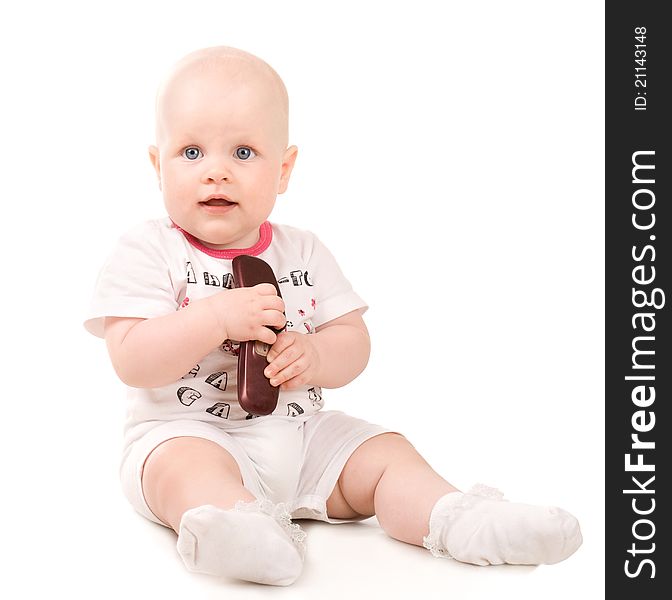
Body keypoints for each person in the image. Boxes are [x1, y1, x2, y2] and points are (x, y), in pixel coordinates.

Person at [84, 46, 582, 586]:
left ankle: (459, 518)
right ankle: (238, 531)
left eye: (244, 153)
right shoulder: (147, 250)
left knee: (385, 451)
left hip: (301, 434)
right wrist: (214, 320)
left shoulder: (304, 251)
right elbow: (130, 358)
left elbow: (354, 341)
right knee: (183, 469)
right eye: (191, 152)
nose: (217, 172)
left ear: (284, 169)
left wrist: (316, 354)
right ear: (158, 165)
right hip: (191, 432)